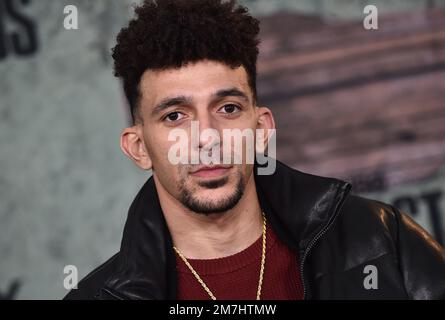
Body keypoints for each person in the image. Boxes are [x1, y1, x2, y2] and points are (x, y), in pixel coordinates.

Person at [64, 0, 445, 300]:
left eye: (227, 109)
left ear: (261, 128)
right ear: (138, 147)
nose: (207, 137)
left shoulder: (380, 239)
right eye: (175, 116)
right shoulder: (100, 297)